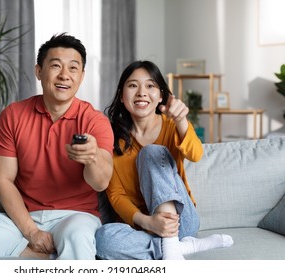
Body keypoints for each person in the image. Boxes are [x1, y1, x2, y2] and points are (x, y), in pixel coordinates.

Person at [0, 33, 114, 260]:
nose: (64, 75)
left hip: (75, 216)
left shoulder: (95, 120)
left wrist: (92, 157)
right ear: (39, 71)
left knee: (78, 237)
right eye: (55, 66)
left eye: (73, 68)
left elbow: (101, 183)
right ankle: (40, 258)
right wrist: (31, 232)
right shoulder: (13, 115)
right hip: (24, 217)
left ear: (81, 76)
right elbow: (2, 180)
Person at [95, 60, 233, 260]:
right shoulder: (111, 136)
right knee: (102, 239)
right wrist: (148, 222)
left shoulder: (172, 125)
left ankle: (170, 247)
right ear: (122, 96)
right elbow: (116, 195)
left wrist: (181, 121)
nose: (142, 92)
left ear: (160, 95)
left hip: (180, 222)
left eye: (150, 86)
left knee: (151, 153)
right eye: (133, 85)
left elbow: (195, 154)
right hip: (142, 227)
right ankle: (183, 247)